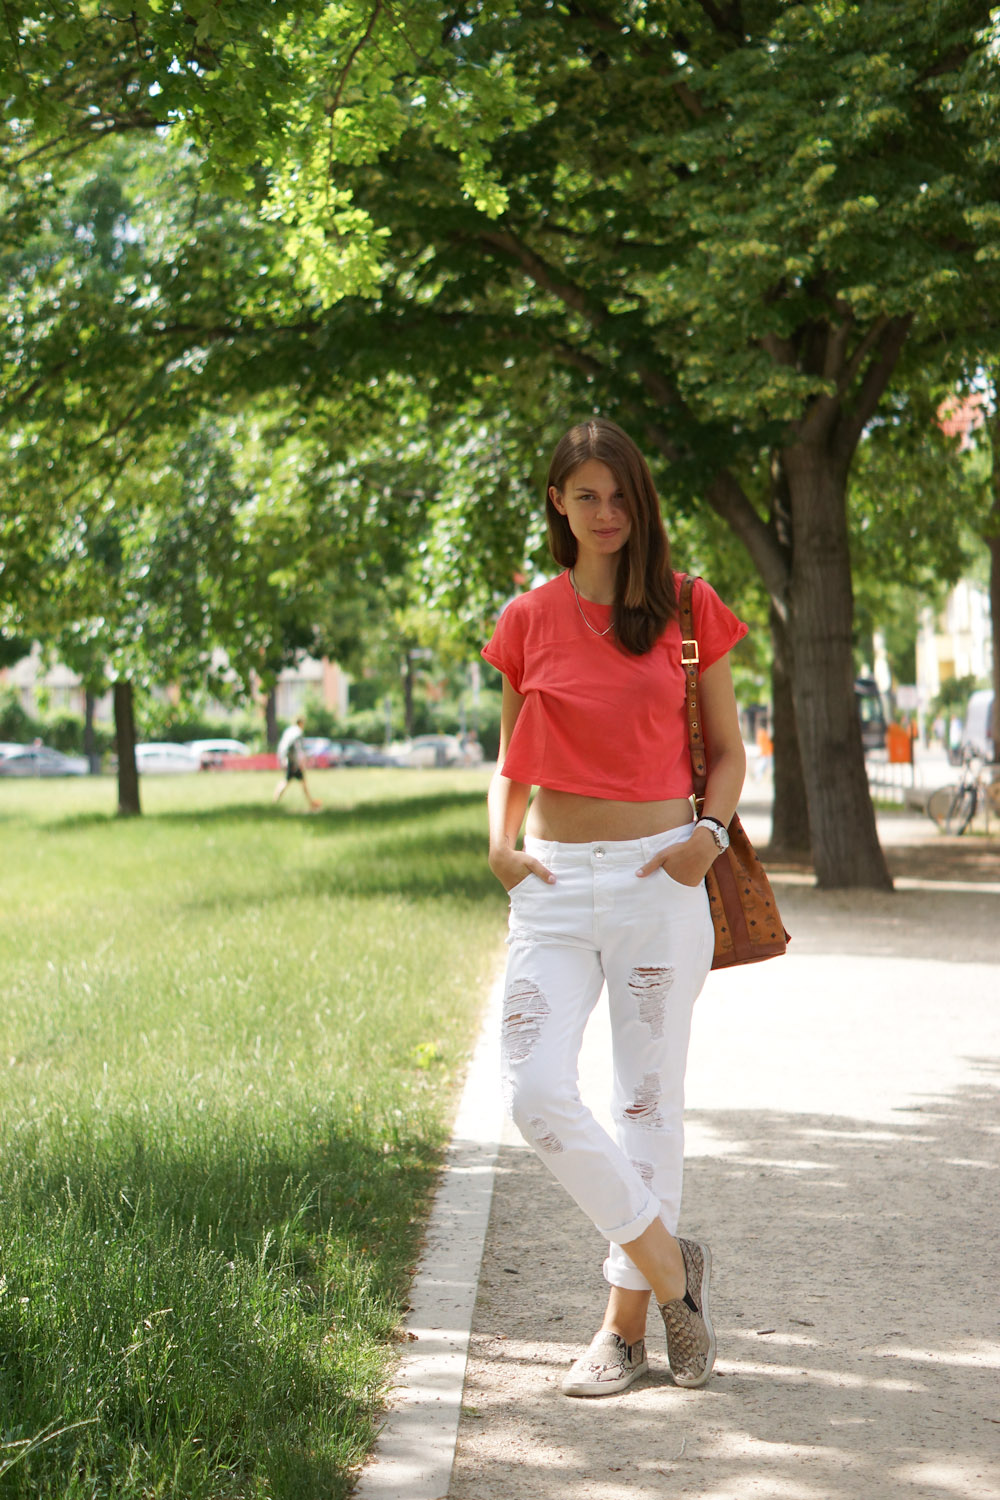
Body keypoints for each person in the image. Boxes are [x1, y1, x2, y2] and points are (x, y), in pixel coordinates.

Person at [482, 418, 747, 1398]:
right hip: (551, 887)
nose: (605, 513)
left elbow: (727, 752)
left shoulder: (687, 607)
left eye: (620, 495)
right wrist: (500, 844)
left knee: (644, 1104)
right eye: (585, 494)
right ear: (556, 500)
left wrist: (705, 837)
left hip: (657, 880)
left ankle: (622, 1331)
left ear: (641, 504)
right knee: (534, 1091)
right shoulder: (527, 618)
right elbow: (511, 755)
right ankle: (675, 1269)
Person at [273, 715, 321, 810]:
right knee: (288, 781)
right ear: (301, 723)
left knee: (299, 781)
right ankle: (275, 801)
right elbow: (297, 749)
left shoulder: (289, 731)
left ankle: (311, 802)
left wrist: (283, 759)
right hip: (293, 761)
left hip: (287, 758)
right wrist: (298, 761)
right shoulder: (298, 732)